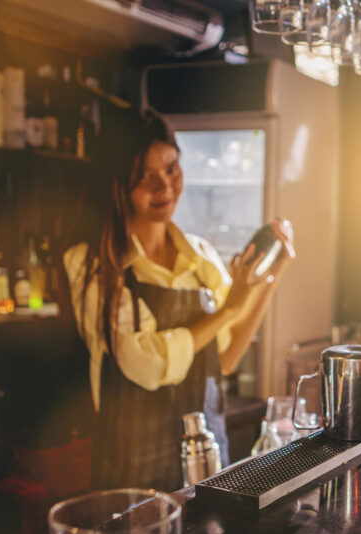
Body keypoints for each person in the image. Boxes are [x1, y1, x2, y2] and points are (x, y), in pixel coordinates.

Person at [64, 110, 294, 491]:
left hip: (207, 460)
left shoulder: (200, 256)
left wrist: (272, 277)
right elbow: (143, 362)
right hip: (131, 473)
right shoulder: (93, 263)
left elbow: (225, 358)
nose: (165, 188)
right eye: (146, 177)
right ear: (118, 183)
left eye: (171, 169)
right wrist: (229, 309)